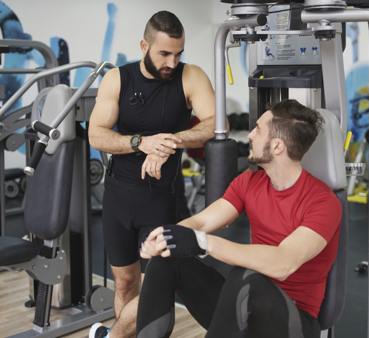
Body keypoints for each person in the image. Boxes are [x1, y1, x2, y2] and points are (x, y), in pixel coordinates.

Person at [137, 99, 342, 338]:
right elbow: (202, 222)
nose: (251, 135)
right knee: (169, 255)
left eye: (257, 129)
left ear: (277, 146)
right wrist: (166, 238)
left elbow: (283, 263)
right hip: (243, 305)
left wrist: (204, 243)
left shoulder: (323, 202)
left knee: (246, 276)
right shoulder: (250, 181)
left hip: (293, 323)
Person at [88, 10, 215, 338]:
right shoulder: (118, 78)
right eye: (164, 53)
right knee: (125, 282)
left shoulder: (191, 77)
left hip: (163, 197)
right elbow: (97, 134)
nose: (172, 62)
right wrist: (142, 143)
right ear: (144, 45)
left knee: (158, 286)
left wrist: (169, 142)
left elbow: (213, 125)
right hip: (119, 194)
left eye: (178, 53)